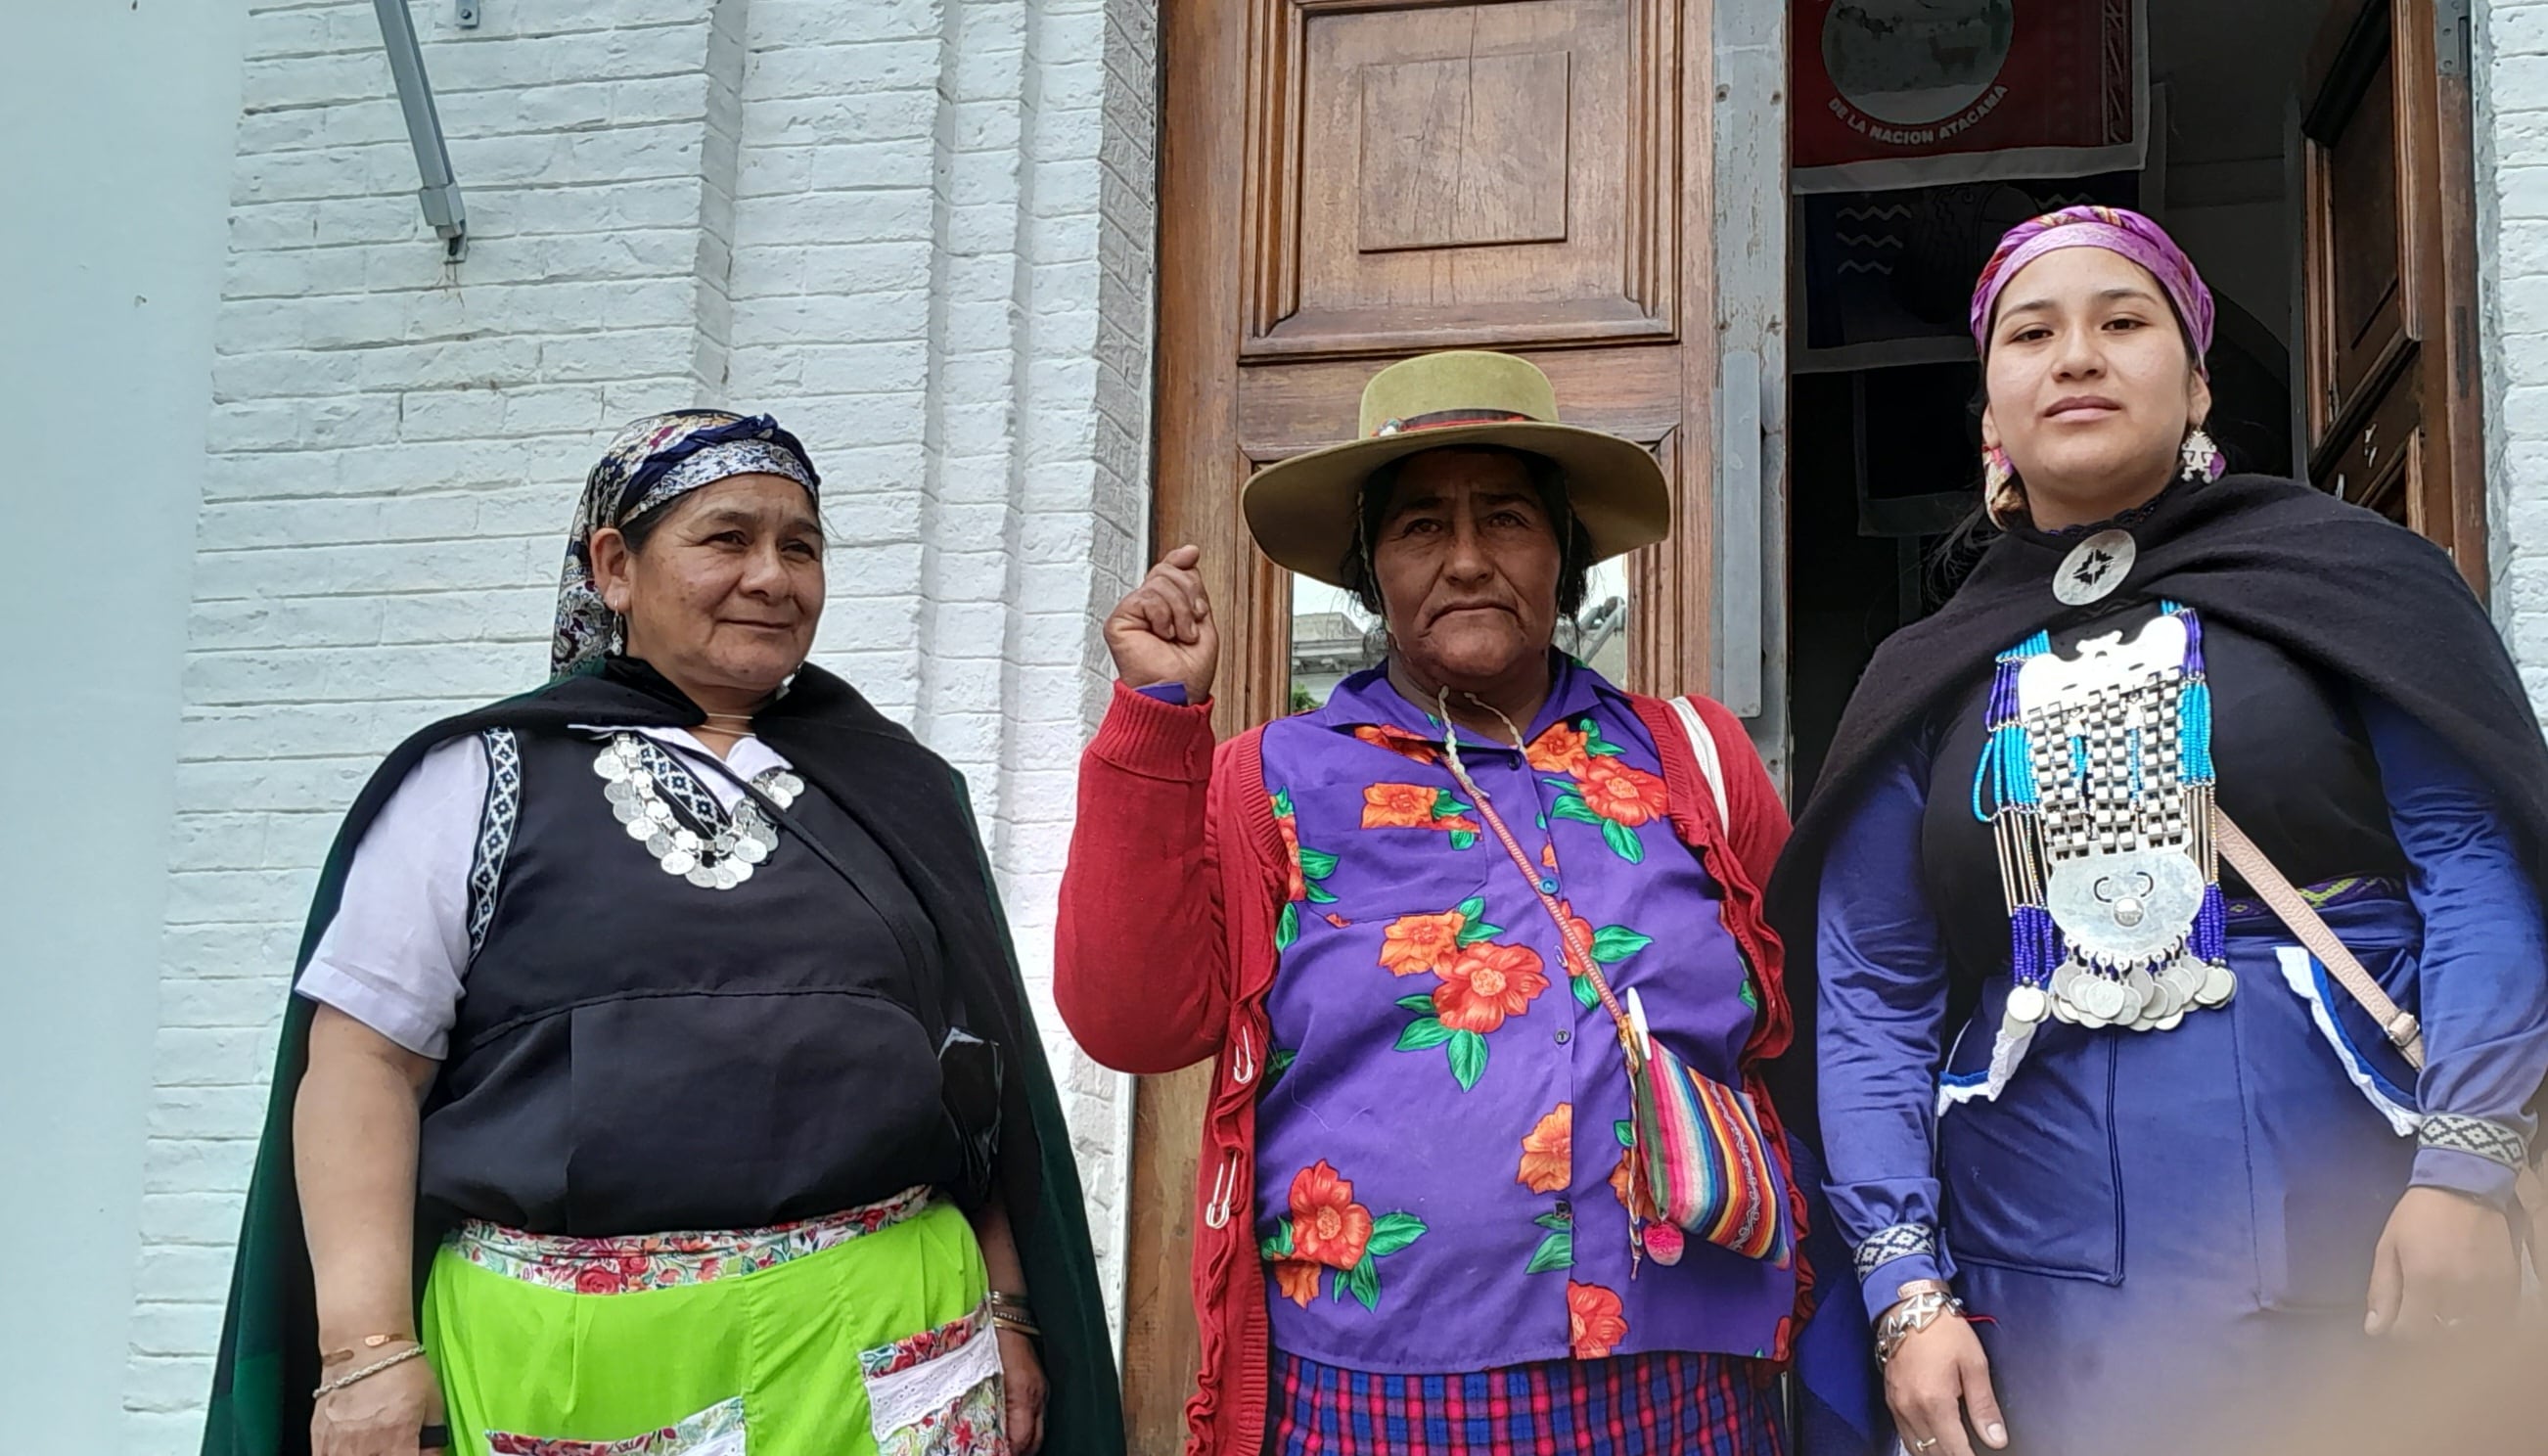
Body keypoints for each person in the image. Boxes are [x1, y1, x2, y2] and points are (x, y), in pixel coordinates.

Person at [1769, 208, 2548, 1456]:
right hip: (2041, 1278)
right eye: (2033, 333)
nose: (2077, 356)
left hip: (2361, 1219)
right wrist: (1907, 1292)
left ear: (2194, 388)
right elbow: (1872, 991)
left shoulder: (2347, 580)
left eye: (2123, 323)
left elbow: (2473, 869)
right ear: (1990, 414)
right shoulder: (1926, 675)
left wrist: (2461, 1176)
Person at [200, 411, 1124, 1456]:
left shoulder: (897, 791)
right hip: (569, 1371)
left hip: (893, 1345)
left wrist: (1007, 1308)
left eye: (801, 546)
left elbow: (973, 1089)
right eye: (728, 539)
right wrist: (365, 1352)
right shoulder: (477, 779)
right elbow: (364, 1065)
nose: (772, 577)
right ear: (614, 567)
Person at [1056, 351, 1814, 1455]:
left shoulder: (1693, 759)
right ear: (1371, 570)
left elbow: (1804, 1027)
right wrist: (1156, 719)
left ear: (1565, 552)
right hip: (1377, 1385)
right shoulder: (1272, 779)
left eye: (1506, 518)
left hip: (1679, 1373)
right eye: (1419, 528)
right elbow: (1130, 1020)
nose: (1465, 559)